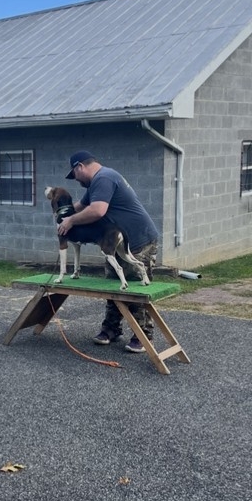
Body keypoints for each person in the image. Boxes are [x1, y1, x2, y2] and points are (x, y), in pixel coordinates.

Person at [59, 151, 160, 353]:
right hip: (113, 239)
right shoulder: (96, 183)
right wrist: (61, 215)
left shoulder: (104, 178)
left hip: (138, 240)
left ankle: (143, 335)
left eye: (74, 174)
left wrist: (71, 221)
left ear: (80, 167)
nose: (75, 179)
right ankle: (111, 329)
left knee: (136, 291)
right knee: (113, 286)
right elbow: (80, 207)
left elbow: (97, 211)